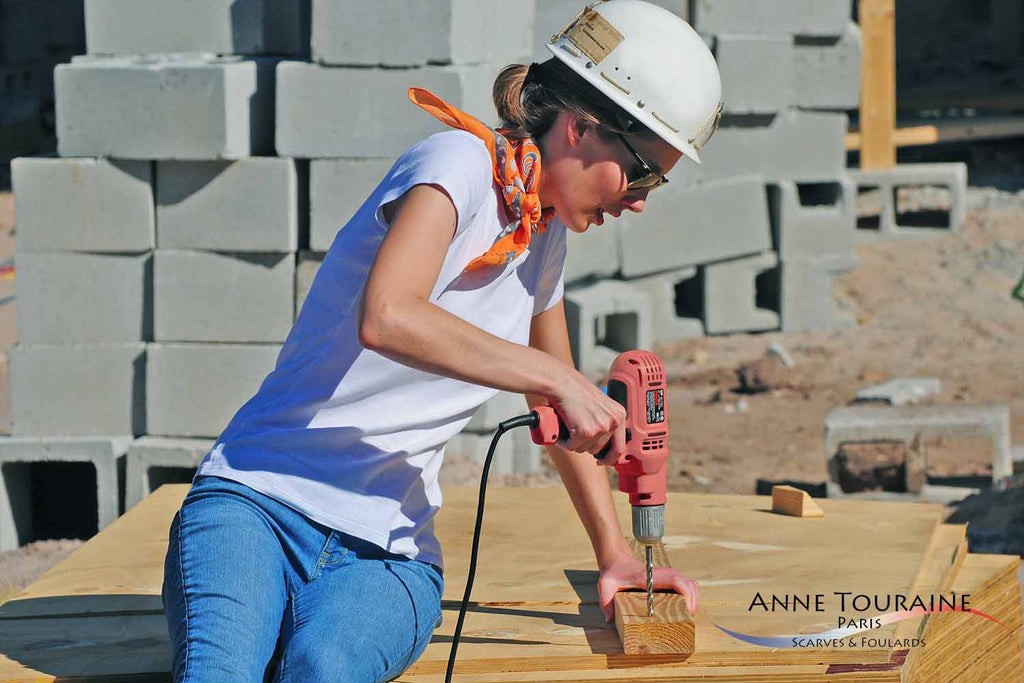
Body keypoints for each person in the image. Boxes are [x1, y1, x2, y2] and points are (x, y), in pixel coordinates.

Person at [161, 1, 722, 681]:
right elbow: (390, 314)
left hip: (388, 554)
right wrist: (560, 381)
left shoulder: (542, 239)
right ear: (580, 128)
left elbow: (563, 420)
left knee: (322, 665)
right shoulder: (457, 161)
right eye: (643, 173)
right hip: (256, 503)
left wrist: (615, 556)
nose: (640, 198)